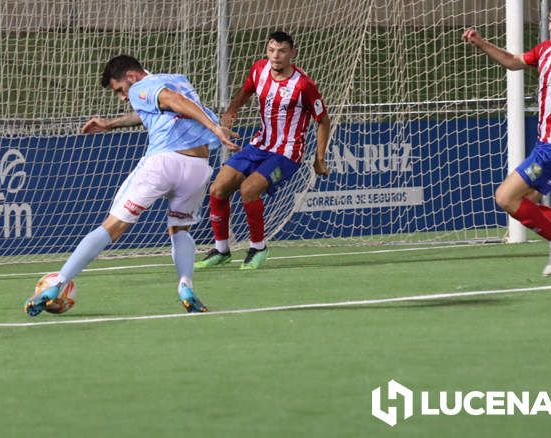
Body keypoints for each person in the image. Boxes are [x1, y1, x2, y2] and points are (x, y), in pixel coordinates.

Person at [24, 55, 240, 316]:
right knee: (180, 229)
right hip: (198, 167)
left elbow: (175, 102)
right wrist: (110, 124)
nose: (123, 97)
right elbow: (155, 109)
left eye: (120, 90)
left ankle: (56, 284)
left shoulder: (141, 87)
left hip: (164, 162)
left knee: (112, 227)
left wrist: (215, 127)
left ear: (132, 76)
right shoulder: (175, 79)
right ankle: (185, 285)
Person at [462, 0, 551, 277]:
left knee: (505, 197)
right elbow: (515, 61)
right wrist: (481, 43)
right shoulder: (546, 51)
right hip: (548, 145)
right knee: (526, 202)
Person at [195, 31, 331, 270]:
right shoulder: (259, 69)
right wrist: (230, 113)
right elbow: (246, 90)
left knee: (249, 189)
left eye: (282, 51)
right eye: (271, 50)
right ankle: (221, 249)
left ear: (293, 54)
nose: (275, 56)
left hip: (287, 153)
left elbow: (323, 120)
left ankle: (258, 247)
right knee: (218, 189)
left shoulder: (304, 85)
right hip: (260, 144)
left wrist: (319, 158)